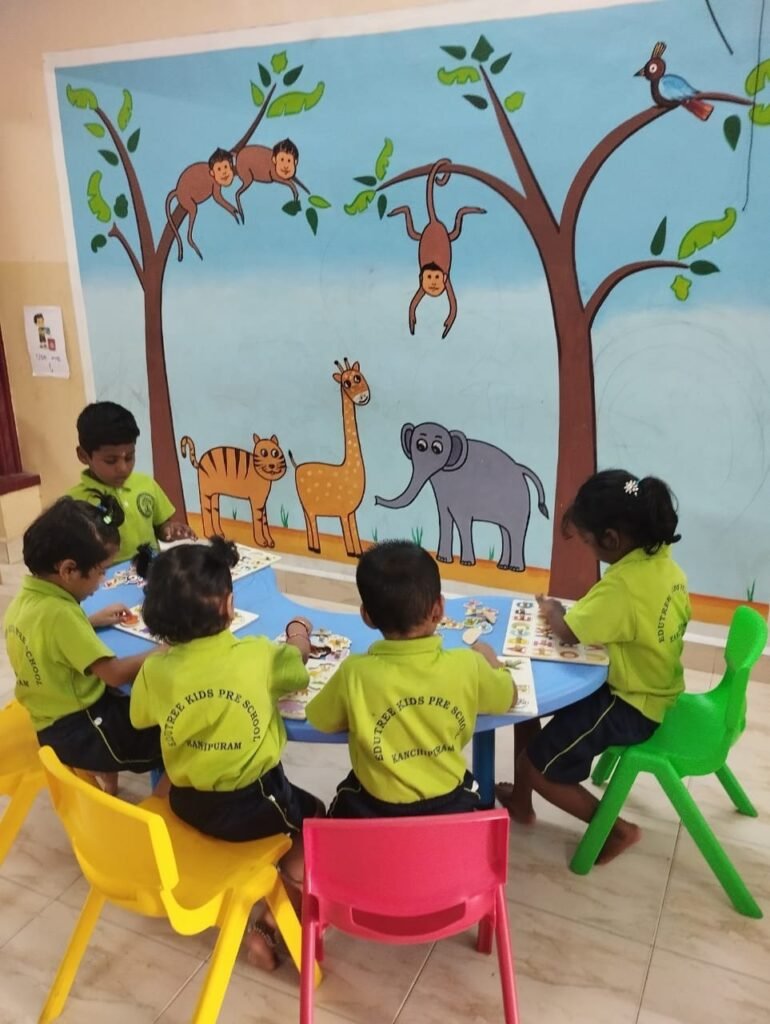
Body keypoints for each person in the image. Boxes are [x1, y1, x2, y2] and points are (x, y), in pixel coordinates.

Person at [129, 538, 323, 971]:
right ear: (229, 605)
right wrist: (298, 634)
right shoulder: (256, 655)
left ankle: (260, 908)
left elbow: (140, 717)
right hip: (256, 804)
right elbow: (296, 670)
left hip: (188, 803)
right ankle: (272, 922)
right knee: (316, 819)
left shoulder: (156, 670)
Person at [495, 470, 690, 864]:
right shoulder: (661, 562)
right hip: (650, 683)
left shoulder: (623, 586)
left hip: (632, 703)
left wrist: (551, 609)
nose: (587, 549)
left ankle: (617, 830)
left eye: (586, 542)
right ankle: (521, 802)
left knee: (537, 768)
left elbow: (568, 631)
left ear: (611, 539)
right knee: (527, 704)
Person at [306, 540, 515, 818]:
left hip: (372, 810)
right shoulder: (468, 664)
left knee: (334, 810)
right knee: (472, 792)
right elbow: (508, 697)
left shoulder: (353, 673)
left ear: (366, 616)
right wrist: (494, 662)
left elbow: (320, 720)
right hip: (451, 807)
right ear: (439, 609)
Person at [3, 496, 165, 795]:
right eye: (101, 571)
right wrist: (166, 650)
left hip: (48, 720)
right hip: (82, 728)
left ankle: (108, 779)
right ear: (68, 570)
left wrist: (89, 621)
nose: (102, 581)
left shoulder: (25, 600)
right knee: (169, 733)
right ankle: (164, 804)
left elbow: (47, 639)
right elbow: (114, 674)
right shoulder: (61, 614)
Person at [67, 401, 195, 564]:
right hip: (103, 577)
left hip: (152, 571)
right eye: (111, 460)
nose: (123, 468)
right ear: (83, 456)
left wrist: (170, 530)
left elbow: (161, 528)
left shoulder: (146, 484)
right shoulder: (73, 504)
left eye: (129, 457)